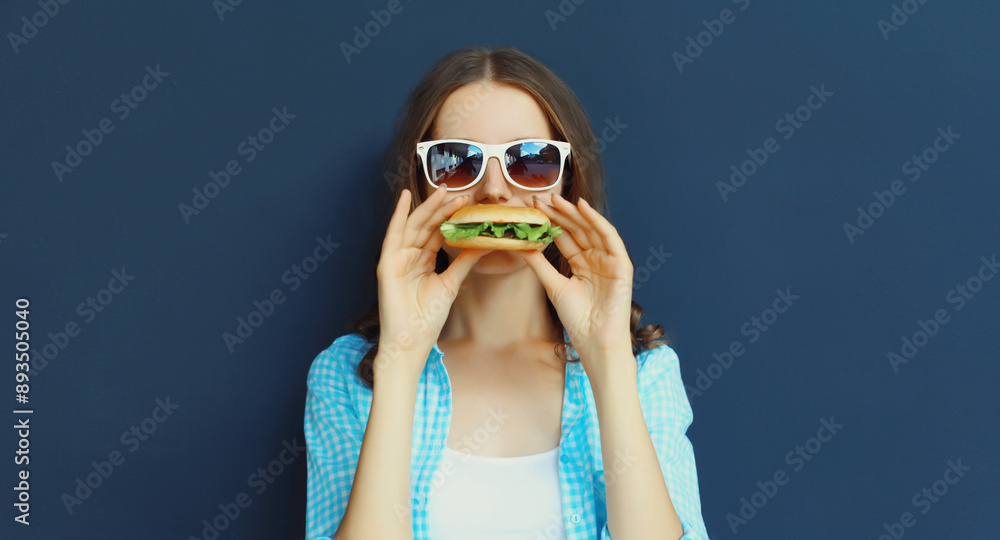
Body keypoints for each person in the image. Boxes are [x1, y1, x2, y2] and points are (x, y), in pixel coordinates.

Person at [304, 46, 710, 540]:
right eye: (457, 161)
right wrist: (401, 358)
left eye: (529, 161)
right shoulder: (344, 378)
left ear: (566, 180)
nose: (494, 190)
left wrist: (607, 360)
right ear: (422, 183)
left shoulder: (646, 376)